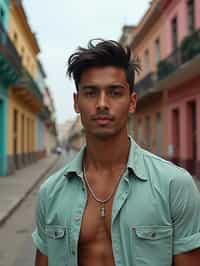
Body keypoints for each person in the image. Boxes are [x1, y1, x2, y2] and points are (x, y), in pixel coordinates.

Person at [32, 39, 200, 266]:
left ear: (132, 102)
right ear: (76, 102)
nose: (102, 104)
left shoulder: (174, 185)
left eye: (115, 92)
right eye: (90, 93)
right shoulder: (50, 193)